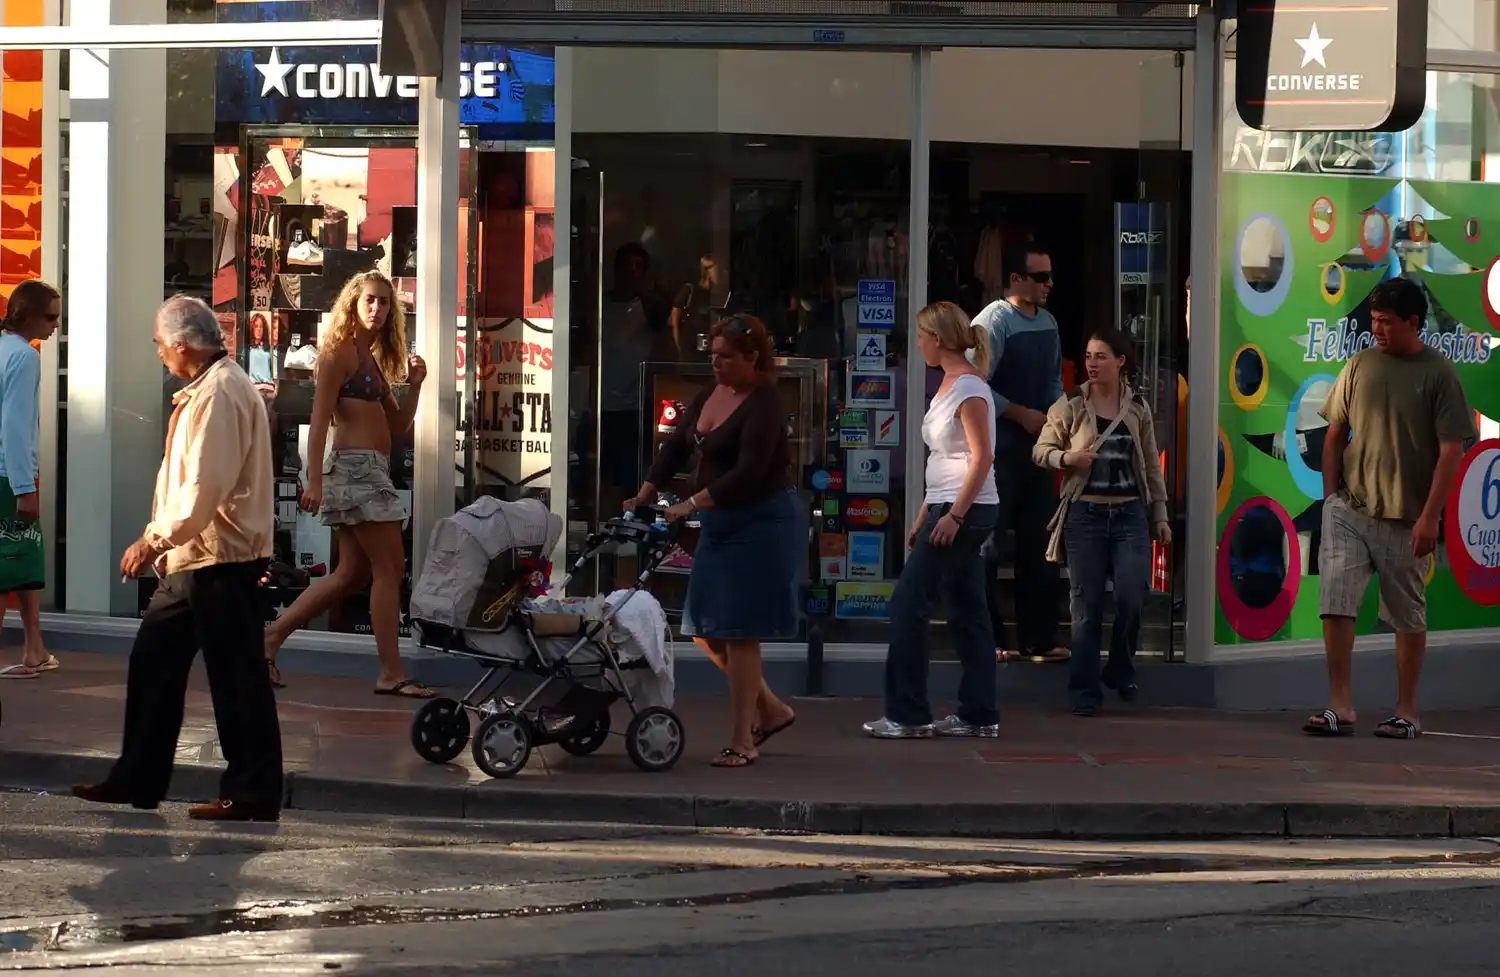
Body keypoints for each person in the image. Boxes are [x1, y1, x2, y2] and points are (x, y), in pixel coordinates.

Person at [73, 295, 282, 821]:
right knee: (156, 664)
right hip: (198, 556)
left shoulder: (218, 394)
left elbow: (202, 488)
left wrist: (153, 539)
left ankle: (251, 792)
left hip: (217, 556)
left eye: (161, 344)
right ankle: (138, 777)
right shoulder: (215, 387)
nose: (160, 353)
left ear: (183, 345)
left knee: (235, 677)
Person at [628, 314, 802, 768]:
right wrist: (647, 490)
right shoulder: (713, 390)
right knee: (703, 625)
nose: (716, 365)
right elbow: (678, 445)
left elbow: (748, 473)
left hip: (761, 522)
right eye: (713, 356)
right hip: (723, 523)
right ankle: (770, 707)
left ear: (752, 358)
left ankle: (742, 739)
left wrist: (691, 504)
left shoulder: (763, 403)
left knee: (739, 631)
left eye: (726, 357)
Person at [1305, 277, 1474, 740]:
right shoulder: (1359, 365)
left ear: (1413, 323)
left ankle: (1407, 710)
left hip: (1408, 518)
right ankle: (1340, 704)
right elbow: (1335, 433)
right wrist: (1330, 499)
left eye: (1386, 322)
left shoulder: (1438, 374)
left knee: (1406, 613)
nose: (1376, 329)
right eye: (1373, 321)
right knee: (1335, 601)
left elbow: (1451, 451)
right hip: (1351, 509)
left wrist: (1430, 517)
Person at [262, 270, 432, 698]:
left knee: (351, 574)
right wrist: (313, 479)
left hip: (369, 470)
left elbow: (396, 426)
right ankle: (391, 673)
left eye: (384, 302)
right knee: (390, 569)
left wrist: (415, 387)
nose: (377, 309)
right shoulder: (339, 353)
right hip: (356, 471)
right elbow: (319, 420)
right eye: (370, 300)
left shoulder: (369, 357)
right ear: (353, 303)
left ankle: (271, 637)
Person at [864, 301, 1000, 738]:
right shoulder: (949, 384)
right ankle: (978, 713)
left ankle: (908, 714)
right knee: (967, 610)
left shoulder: (970, 390)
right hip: (948, 505)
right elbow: (944, 457)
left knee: (908, 603)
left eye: (922, 335)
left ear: (937, 339)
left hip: (966, 509)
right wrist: (926, 510)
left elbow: (981, 459)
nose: (918, 343)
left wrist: (954, 516)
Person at [1033, 327, 1170, 716]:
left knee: (1132, 594)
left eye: (1101, 357)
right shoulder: (1072, 404)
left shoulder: (1137, 408)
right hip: (1085, 516)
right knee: (1086, 605)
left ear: (1120, 362)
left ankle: (1121, 667)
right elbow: (1040, 450)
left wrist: (1159, 516)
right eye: (1089, 356)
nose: (1092, 363)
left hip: (1129, 515)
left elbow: (1151, 467)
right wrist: (1066, 459)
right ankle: (1084, 691)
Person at [972, 241, 1068, 663]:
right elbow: (974, 384)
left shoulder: (1047, 322)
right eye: (1041, 277)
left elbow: (1053, 381)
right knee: (988, 546)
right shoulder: (994, 322)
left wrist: (1059, 419)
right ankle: (988, 637)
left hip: (1038, 450)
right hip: (999, 450)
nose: (1049, 284)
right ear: (1016, 280)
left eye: (1050, 275)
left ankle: (1038, 638)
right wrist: (1017, 413)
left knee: (1041, 545)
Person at [0, 280, 60, 679]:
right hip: (9, 475)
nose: (55, 325)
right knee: (11, 561)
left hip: (9, 472)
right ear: (29, 314)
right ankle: (33, 648)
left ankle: (35, 647)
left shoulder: (12, 352)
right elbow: (16, 425)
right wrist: (25, 487)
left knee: (22, 561)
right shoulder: (23, 357)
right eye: (50, 316)